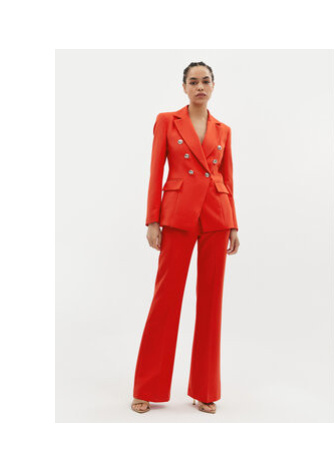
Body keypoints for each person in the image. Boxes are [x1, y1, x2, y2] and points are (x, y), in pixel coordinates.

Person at [131, 61, 240, 414]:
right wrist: (153, 219)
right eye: (193, 82)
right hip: (177, 215)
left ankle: (205, 390)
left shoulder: (223, 130)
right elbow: (155, 170)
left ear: (213, 86)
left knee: (211, 303)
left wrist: (233, 223)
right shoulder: (167, 120)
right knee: (166, 299)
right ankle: (147, 387)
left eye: (205, 81)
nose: (200, 87)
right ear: (184, 87)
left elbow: (227, 178)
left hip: (216, 216)